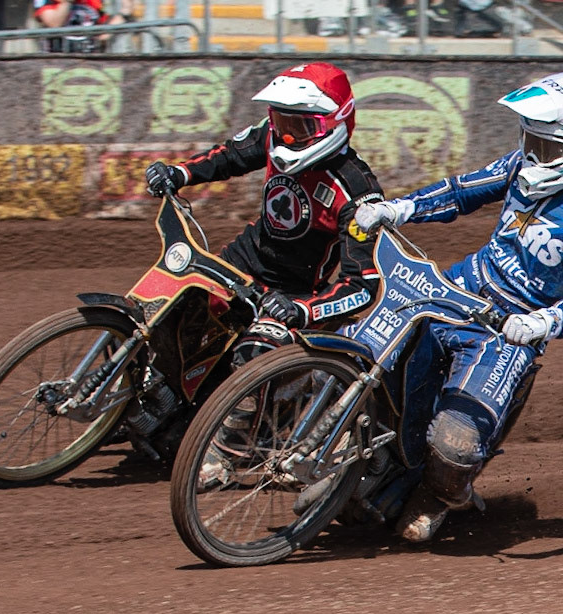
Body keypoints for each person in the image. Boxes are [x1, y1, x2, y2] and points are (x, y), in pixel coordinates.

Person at [351, 72, 563, 543]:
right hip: (460, 289)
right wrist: (398, 209)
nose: (533, 156)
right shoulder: (521, 167)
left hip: (507, 329)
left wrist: (542, 321)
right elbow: (461, 190)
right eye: (531, 141)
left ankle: (440, 495)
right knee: (363, 354)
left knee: (453, 444)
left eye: (548, 148)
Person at [141, 63, 385, 386]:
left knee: (250, 363)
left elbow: (362, 287)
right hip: (239, 266)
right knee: (164, 315)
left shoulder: (359, 194)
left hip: (290, 295)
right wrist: (179, 173)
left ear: (334, 123)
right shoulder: (271, 137)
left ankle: (229, 434)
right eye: (281, 121)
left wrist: (303, 310)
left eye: (300, 127)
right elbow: (229, 156)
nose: (286, 136)